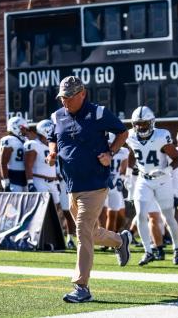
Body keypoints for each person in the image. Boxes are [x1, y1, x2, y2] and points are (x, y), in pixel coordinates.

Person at [47, 76, 132, 303]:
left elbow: (123, 132)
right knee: (91, 233)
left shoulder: (98, 113)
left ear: (82, 94)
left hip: (95, 183)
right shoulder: (57, 115)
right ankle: (120, 241)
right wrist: (52, 151)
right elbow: (52, 136)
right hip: (71, 185)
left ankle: (81, 286)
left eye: (68, 97)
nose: (64, 102)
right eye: (62, 97)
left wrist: (110, 153)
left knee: (82, 230)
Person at [126, 106, 178, 266]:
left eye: (144, 124)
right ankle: (148, 251)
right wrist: (129, 174)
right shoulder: (131, 136)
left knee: (168, 217)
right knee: (141, 215)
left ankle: (177, 248)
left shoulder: (161, 136)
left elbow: (177, 158)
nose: (141, 127)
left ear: (151, 123)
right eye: (138, 124)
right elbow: (133, 153)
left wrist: (166, 170)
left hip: (163, 180)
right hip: (144, 180)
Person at [0, 116, 29, 192]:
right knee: (14, 202)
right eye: (22, 128)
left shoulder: (25, 140)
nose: (25, 131)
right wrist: (6, 181)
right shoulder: (9, 140)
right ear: (15, 127)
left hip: (25, 176)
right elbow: (3, 162)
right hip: (14, 176)